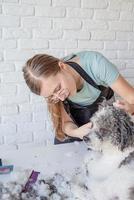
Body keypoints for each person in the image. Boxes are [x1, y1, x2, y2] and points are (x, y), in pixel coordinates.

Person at [22, 51, 134, 145]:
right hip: (75, 133)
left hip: (103, 128)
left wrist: (131, 108)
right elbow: (65, 123)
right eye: (51, 96)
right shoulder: (50, 86)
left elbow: (132, 98)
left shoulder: (95, 64)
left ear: (62, 66)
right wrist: (77, 132)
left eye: (58, 89)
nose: (60, 98)